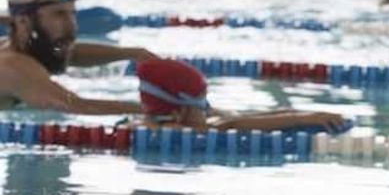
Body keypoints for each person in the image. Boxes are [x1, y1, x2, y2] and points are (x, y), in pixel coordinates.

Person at [0, 0, 157, 113]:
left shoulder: (16, 49)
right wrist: (153, 110)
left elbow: (71, 53)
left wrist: (132, 53)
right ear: (23, 22)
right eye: (59, 14)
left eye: (72, 14)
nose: (72, 25)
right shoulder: (14, 67)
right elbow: (74, 105)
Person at [134, 58, 350, 132]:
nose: (206, 107)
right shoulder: (172, 130)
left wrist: (297, 112)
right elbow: (230, 125)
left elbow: (232, 119)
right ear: (177, 110)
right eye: (201, 102)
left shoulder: (160, 120)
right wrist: (303, 119)